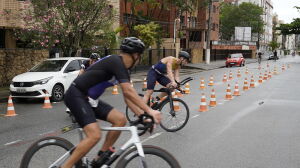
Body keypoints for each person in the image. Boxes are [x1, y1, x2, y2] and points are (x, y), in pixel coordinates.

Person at [62, 37, 161, 168]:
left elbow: (128, 97)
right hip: (76, 94)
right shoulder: (116, 61)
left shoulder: (124, 69)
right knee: (94, 135)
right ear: (135, 55)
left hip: (90, 100)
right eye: (140, 56)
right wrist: (150, 111)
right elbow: (128, 91)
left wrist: (142, 116)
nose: (139, 60)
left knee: (120, 119)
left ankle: (99, 159)